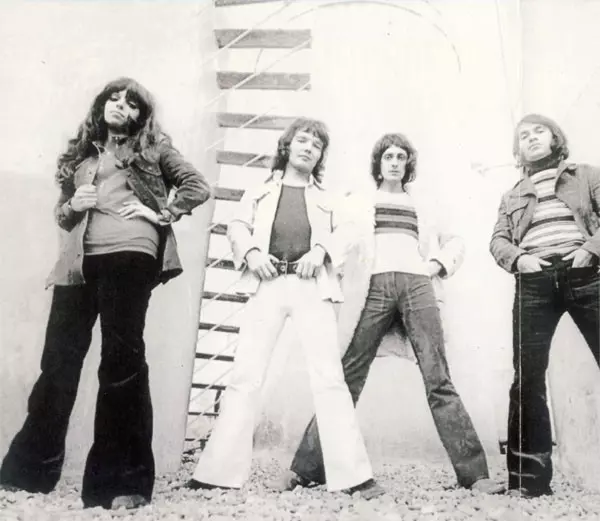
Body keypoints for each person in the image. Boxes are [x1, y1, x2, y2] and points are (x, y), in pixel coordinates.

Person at [0, 77, 212, 509]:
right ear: (101, 106)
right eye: (114, 99)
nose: (120, 106)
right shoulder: (82, 154)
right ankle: (27, 473)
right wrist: (72, 205)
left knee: (121, 363)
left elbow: (196, 186)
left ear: (141, 115)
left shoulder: (154, 149)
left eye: (131, 103)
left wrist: (160, 212)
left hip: (130, 254)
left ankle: (121, 484)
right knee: (58, 363)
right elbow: (64, 215)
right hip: (79, 263)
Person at [276, 133, 504, 495]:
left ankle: (475, 475)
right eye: (388, 157)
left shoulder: (423, 204)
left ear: (408, 164)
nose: (395, 162)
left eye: (401, 157)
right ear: (378, 163)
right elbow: (337, 237)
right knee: (348, 375)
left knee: (438, 377)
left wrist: (435, 265)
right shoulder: (359, 202)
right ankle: (306, 468)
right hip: (374, 287)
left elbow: (455, 241)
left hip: (417, 285)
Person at [185, 118, 381, 497]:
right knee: (245, 376)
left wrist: (321, 251)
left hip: (312, 287)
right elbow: (237, 226)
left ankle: (354, 477)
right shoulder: (258, 192)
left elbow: (349, 230)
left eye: (317, 145)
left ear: (321, 156)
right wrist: (252, 253)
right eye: (302, 140)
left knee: (329, 378)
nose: (309, 148)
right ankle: (216, 473)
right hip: (268, 285)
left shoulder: (328, 198)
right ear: (287, 146)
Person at [490, 113, 600, 498]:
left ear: (555, 138)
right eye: (523, 135)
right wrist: (520, 259)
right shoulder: (512, 195)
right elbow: (498, 240)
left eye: (539, 131)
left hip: (585, 273)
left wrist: (591, 249)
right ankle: (529, 481)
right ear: (517, 149)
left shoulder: (586, 176)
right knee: (527, 378)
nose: (532, 138)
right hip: (534, 281)